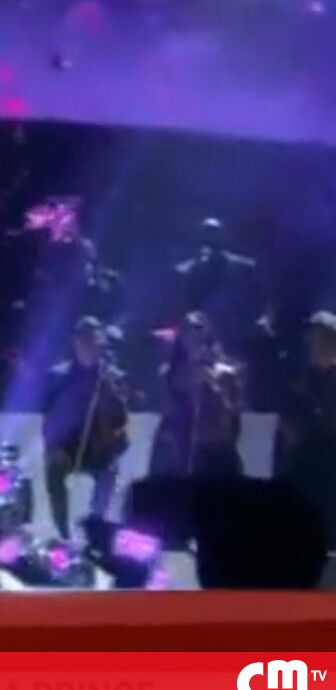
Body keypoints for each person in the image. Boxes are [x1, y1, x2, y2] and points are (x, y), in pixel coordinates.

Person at [41, 317, 129, 539]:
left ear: (100, 344)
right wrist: (53, 446)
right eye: (83, 340)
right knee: (53, 469)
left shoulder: (112, 376)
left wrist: (112, 393)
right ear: (75, 342)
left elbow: (121, 419)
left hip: (99, 444)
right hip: (67, 446)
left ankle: (94, 523)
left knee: (109, 471)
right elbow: (49, 418)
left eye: (92, 340)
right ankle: (63, 530)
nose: (87, 345)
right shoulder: (58, 376)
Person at [148, 312, 243, 480]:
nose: (193, 334)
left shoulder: (225, 374)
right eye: (187, 329)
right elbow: (162, 406)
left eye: (198, 328)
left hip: (215, 452)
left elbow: (233, 418)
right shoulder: (170, 373)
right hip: (177, 449)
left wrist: (216, 387)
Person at [275, 311, 336, 550]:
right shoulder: (298, 379)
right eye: (311, 339)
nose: (314, 346)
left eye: (321, 339)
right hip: (304, 460)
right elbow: (288, 421)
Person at [173, 217, 263, 356]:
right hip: (203, 341)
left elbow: (258, 301)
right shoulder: (187, 272)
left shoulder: (244, 269)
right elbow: (184, 308)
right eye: (207, 233)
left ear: (223, 236)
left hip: (239, 337)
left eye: (214, 233)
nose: (211, 238)